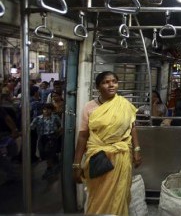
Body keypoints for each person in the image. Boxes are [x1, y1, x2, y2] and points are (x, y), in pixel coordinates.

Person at [72, 71, 142, 215]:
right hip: (98, 157)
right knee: (98, 195)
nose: (111, 85)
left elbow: (132, 127)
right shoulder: (90, 107)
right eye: (106, 82)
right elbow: (83, 136)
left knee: (120, 193)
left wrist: (137, 149)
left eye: (114, 81)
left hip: (121, 156)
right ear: (98, 87)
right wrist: (77, 164)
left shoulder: (124, 104)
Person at [31, 103, 62, 179]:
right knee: (42, 152)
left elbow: (61, 126)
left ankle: (50, 168)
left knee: (48, 152)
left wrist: (57, 133)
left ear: (51, 110)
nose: (46, 111)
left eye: (48, 109)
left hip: (51, 137)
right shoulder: (38, 118)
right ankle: (52, 163)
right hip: (41, 137)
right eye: (45, 109)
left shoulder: (55, 118)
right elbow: (31, 126)